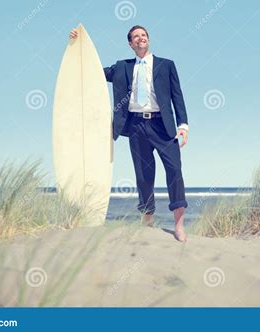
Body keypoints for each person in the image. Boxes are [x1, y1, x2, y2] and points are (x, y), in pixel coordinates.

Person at [69, 25, 189, 242]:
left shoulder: (166, 65)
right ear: (130, 43)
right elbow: (93, 70)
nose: (140, 38)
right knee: (144, 176)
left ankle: (179, 226)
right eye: (136, 37)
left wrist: (183, 125)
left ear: (148, 40)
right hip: (136, 126)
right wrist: (78, 46)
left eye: (144, 35)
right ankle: (148, 221)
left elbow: (177, 96)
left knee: (175, 171)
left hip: (163, 126)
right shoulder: (122, 67)